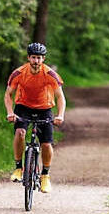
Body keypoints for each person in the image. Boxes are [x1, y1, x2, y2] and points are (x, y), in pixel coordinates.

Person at [5, 42, 66, 193]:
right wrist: (10, 112)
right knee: (20, 133)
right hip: (23, 107)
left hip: (44, 108)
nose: (36, 61)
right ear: (28, 58)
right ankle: (19, 168)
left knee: (46, 144)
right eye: (33, 57)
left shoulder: (50, 74)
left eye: (39, 58)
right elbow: (8, 94)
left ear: (43, 59)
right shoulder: (19, 73)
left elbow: (60, 98)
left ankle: (45, 175)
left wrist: (60, 115)